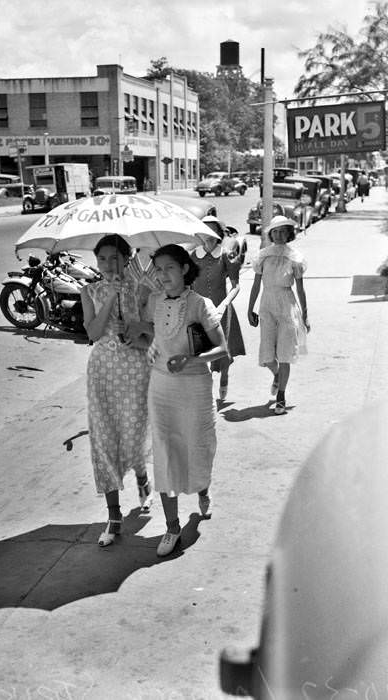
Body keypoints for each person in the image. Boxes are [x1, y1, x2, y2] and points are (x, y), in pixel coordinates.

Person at [145, 244, 227, 557]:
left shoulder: (199, 304)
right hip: (161, 387)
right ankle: (172, 527)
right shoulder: (153, 301)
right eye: (158, 269)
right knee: (166, 452)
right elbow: (154, 337)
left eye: (169, 268)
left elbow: (222, 350)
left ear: (183, 268)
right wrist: (142, 340)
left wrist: (189, 361)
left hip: (194, 387)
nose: (163, 275)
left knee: (198, 447)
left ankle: (203, 489)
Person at [81, 234, 153, 548]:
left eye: (115, 258)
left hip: (135, 369)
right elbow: (93, 333)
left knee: (134, 434)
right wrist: (109, 298)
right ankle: (114, 515)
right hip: (101, 372)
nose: (109, 264)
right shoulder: (88, 291)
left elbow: (151, 338)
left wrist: (133, 332)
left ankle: (142, 478)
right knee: (104, 438)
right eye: (102, 259)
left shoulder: (143, 290)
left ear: (127, 258)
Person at [247, 216, 309, 415]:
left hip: (287, 305)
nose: (279, 235)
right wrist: (250, 309)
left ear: (289, 234)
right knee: (267, 355)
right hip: (267, 304)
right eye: (276, 231)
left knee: (284, 354)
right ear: (270, 234)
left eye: (283, 231)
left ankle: (281, 395)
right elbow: (256, 285)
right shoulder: (262, 256)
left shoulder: (295, 257)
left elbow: (300, 289)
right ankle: (276, 376)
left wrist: (306, 315)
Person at [190, 216, 246, 401]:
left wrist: (224, 304)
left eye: (213, 230)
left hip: (220, 309)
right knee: (199, 349)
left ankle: (224, 376)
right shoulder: (192, 256)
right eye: (205, 230)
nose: (209, 235)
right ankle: (204, 389)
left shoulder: (226, 255)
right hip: (197, 310)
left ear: (219, 233)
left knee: (222, 348)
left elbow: (236, 286)